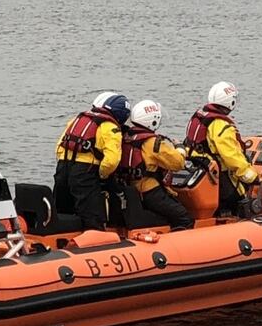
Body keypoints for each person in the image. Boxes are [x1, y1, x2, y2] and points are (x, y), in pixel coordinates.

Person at [54, 92, 130, 230]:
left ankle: (62, 238)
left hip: (62, 168)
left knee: (62, 209)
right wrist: (102, 175)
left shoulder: (76, 120)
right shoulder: (110, 127)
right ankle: (95, 241)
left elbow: (59, 147)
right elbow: (112, 161)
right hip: (85, 173)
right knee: (92, 214)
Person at [182, 81, 260, 216]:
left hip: (198, 169)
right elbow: (231, 157)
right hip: (218, 177)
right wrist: (251, 176)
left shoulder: (200, 115)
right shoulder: (221, 125)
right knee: (241, 197)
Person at [118, 100, 195, 231]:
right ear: (152, 121)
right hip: (151, 192)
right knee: (183, 217)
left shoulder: (127, 137)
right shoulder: (153, 142)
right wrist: (181, 148)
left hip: (131, 189)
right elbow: (177, 163)